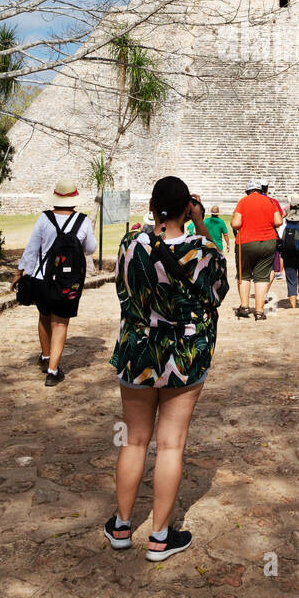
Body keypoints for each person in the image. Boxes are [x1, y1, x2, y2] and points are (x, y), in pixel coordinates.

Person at [107, 176, 228, 559]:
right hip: (184, 353)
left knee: (134, 440)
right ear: (187, 209)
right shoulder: (203, 251)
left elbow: (123, 291)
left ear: (152, 205)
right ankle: (160, 536)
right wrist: (201, 223)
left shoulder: (131, 245)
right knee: (171, 444)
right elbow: (218, 292)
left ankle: (122, 525)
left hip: (138, 350)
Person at [12, 177, 98, 386]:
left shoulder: (44, 219)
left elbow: (32, 249)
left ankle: (45, 356)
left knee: (44, 317)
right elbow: (90, 248)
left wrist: (19, 272)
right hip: (68, 281)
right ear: (75, 200)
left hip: (43, 278)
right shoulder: (83, 221)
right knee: (60, 323)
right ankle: (53, 371)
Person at [231, 179, 282, 319]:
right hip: (268, 242)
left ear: (248, 191)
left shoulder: (243, 201)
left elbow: (236, 224)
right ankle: (259, 312)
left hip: (246, 242)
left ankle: (245, 307)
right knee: (262, 277)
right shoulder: (270, 202)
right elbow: (278, 221)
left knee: (244, 274)